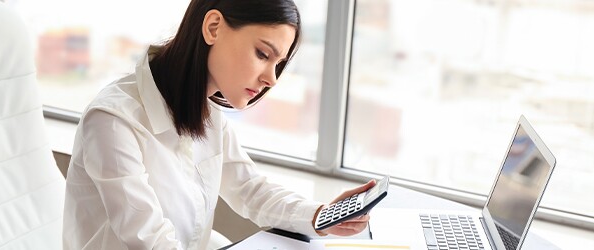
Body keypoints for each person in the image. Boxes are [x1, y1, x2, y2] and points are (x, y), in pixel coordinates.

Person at [62, 0, 376, 249]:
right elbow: (149, 240)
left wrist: (320, 216)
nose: (271, 78)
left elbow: (249, 189)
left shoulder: (207, 113)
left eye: (278, 64)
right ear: (213, 27)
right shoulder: (114, 122)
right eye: (262, 54)